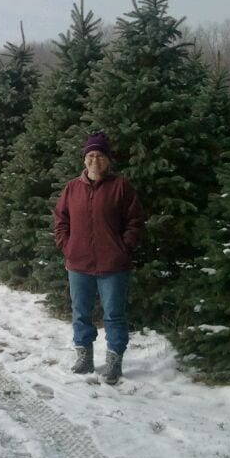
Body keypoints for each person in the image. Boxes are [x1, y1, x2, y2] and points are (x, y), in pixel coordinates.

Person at [53, 132, 145, 384]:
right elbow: (61, 221)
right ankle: (84, 357)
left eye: (100, 156)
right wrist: (67, 246)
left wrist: (123, 247)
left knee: (114, 314)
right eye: (91, 156)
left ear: (108, 160)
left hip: (113, 265)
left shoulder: (121, 186)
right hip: (78, 264)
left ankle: (114, 361)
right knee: (80, 312)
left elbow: (135, 221)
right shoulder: (72, 187)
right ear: (84, 160)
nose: (95, 160)